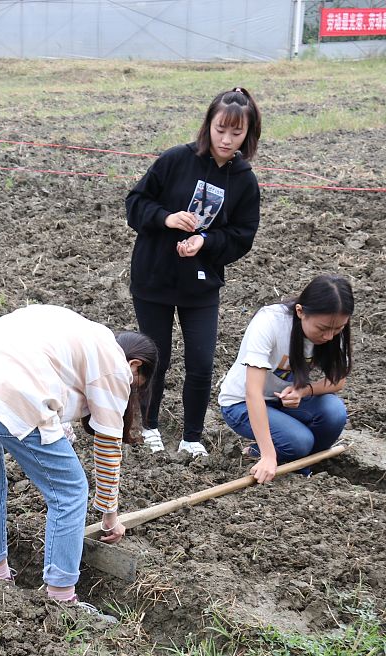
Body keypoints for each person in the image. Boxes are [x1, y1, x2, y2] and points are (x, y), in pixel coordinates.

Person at [0, 306, 156, 617]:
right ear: (135, 364)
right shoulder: (114, 365)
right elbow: (108, 447)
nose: (131, 388)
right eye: (137, 383)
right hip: (8, 390)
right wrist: (109, 514)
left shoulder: (80, 332)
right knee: (70, 490)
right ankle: (61, 597)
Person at [125, 87, 262, 458]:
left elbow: (242, 235)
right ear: (208, 125)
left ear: (249, 134)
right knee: (157, 357)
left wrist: (206, 243)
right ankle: (149, 426)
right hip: (153, 278)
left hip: (200, 285)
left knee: (201, 361)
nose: (227, 139)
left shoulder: (245, 180)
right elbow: (135, 204)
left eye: (236, 133)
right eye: (221, 129)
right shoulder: (175, 160)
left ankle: (192, 436)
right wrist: (166, 218)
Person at [217, 275, 353, 483]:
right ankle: (275, 453)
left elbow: (338, 381)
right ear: (301, 312)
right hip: (241, 403)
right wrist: (268, 455)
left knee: (334, 412)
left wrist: (303, 391)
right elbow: (252, 392)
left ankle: (301, 466)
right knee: (300, 441)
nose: (329, 337)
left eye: (338, 329)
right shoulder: (270, 322)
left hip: (282, 400)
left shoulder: (334, 329)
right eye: (323, 329)